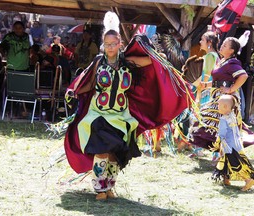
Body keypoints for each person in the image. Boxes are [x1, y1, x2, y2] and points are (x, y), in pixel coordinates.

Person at [62, 11, 193, 200]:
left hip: (121, 116)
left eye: (113, 44)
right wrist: (74, 92)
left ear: (120, 44)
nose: (109, 47)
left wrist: (149, 45)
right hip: (98, 114)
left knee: (116, 153)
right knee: (101, 150)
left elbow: (152, 62)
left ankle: (109, 187)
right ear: (103, 44)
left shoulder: (129, 62)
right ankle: (100, 188)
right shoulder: (99, 61)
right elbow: (89, 84)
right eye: (106, 44)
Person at [189, 36, 250, 152]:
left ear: (231, 51)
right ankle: (218, 152)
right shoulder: (222, 61)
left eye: (225, 45)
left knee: (219, 124)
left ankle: (221, 153)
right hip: (217, 96)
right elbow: (217, 81)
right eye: (222, 44)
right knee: (210, 122)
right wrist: (205, 85)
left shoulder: (232, 62)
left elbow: (243, 75)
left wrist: (231, 89)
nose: (221, 46)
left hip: (225, 100)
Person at [212, 95, 254, 191]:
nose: (217, 106)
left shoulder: (223, 119)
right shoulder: (232, 116)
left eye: (219, 105)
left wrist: (217, 143)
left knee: (234, 164)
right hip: (236, 144)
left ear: (225, 107)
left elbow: (221, 134)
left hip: (229, 146)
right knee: (226, 162)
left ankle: (248, 179)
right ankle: (226, 179)